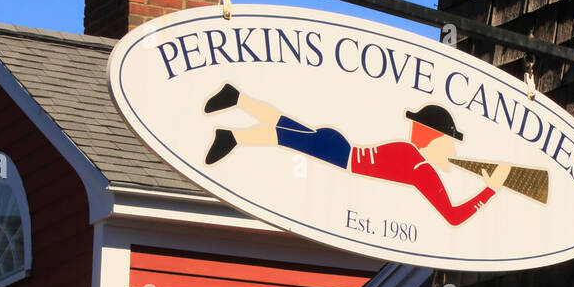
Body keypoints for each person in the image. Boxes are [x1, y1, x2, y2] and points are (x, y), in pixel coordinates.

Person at [203, 85, 510, 226]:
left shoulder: (415, 159)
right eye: (447, 142)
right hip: (342, 154)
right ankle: (232, 135)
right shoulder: (420, 167)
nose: (451, 150)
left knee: (284, 125)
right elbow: (453, 216)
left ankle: (237, 98)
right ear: (437, 138)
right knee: (284, 135)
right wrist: (490, 190)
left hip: (340, 148)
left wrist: (489, 188)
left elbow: (451, 216)